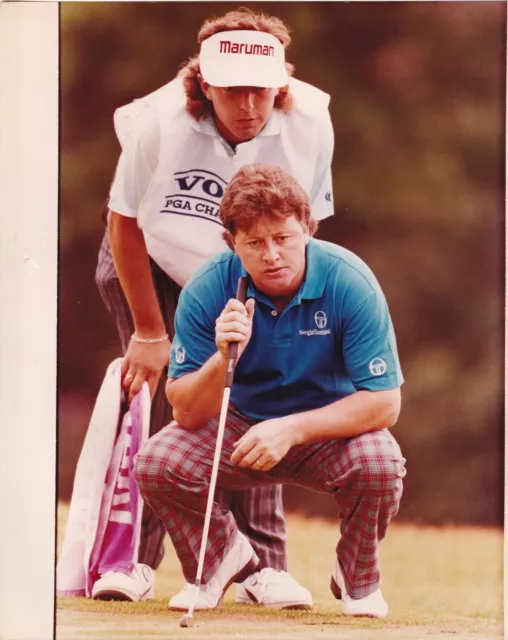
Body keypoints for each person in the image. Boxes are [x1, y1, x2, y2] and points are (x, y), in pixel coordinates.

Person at [93, 8, 334, 608]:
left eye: (260, 88)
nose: (248, 103)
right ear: (204, 83)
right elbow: (122, 224)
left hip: (249, 264)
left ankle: (262, 567)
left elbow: (311, 227)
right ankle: (136, 561)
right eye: (232, 89)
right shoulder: (159, 124)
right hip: (150, 259)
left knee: (256, 386)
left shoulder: (311, 122)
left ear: (280, 83)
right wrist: (150, 331)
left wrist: (293, 308)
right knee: (165, 394)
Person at [134, 163, 406, 617]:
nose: (272, 255)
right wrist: (223, 357)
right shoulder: (208, 286)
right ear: (232, 243)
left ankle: (356, 576)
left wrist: (291, 429)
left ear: (306, 228)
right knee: (157, 464)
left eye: (283, 238)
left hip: (326, 429)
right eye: (254, 243)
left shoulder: (348, 280)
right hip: (237, 423)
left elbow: (384, 402)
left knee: (380, 464)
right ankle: (219, 559)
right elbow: (184, 411)